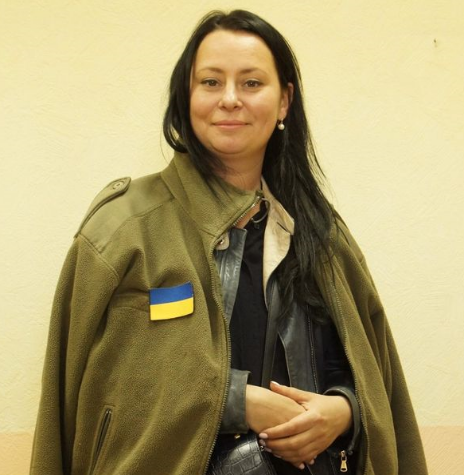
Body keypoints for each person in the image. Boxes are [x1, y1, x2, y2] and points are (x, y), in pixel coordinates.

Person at [30, 9, 428, 475]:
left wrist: (344, 411)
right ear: (186, 96)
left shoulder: (322, 237)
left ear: (284, 102)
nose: (231, 99)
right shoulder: (124, 230)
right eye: (211, 82)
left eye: (252, 83)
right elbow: (92, 394)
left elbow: (372, 378)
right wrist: (238, 402)